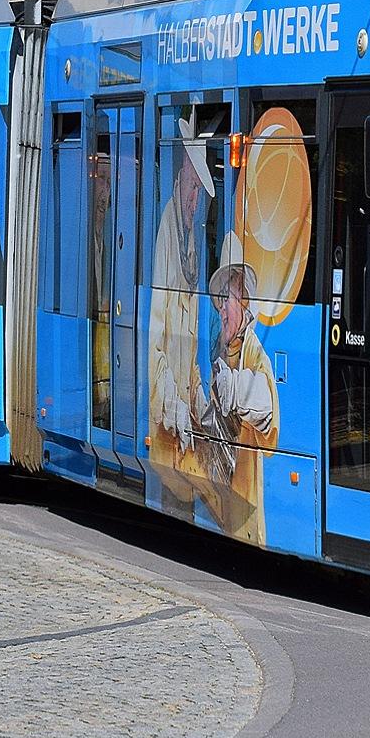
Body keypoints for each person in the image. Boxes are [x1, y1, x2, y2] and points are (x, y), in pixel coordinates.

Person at [144, 136, 216, 521]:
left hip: (184, 434)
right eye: (192, 189)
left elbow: (189, 355)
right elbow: (156, 343)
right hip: (168, 434)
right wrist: (175, 406)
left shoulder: (190, 242)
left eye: (199, 194)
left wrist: (203, 404)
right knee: (175, 509)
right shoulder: (167, 233)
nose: (194, 201)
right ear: (181, 174)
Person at [194, 261, 280, 543]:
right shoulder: (222, 348)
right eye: (219, 303)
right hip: (221, 497)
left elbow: (267, 408)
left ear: (244, 304)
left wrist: (234, 389)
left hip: (243, 510)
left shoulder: (254, 351)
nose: (221, 311)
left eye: (226, 301)